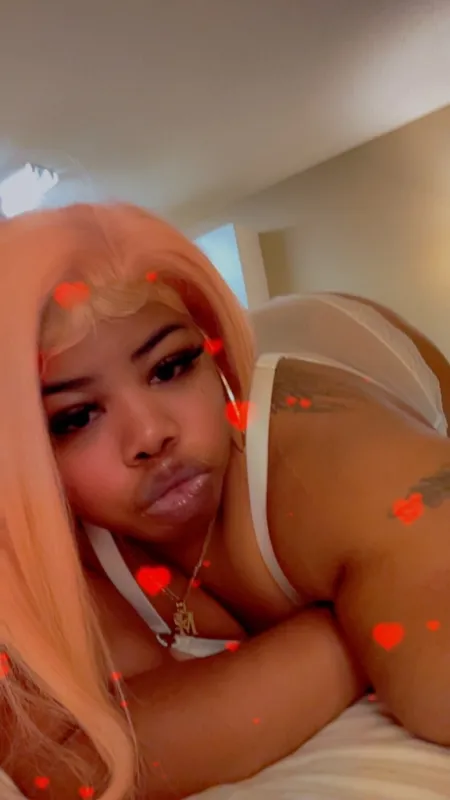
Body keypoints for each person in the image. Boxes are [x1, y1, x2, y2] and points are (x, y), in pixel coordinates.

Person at [0, 203, 449, 800]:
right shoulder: (46, 545)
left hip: (348, 339)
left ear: (213, 355)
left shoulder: (345, 466)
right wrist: (341, 630)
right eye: (76, 417)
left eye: (171, 367)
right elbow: (70, 764)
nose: (150, 434)